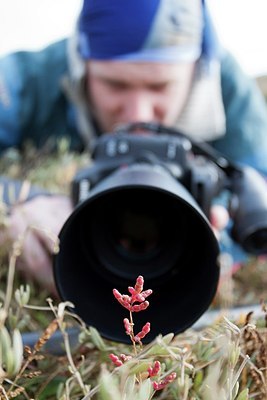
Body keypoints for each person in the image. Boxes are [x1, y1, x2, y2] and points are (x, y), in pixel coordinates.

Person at [1, 0, 267, 293]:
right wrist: (21, 200)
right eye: (116, 85)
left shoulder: (230, 91)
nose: (138, 115)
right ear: (80, 64)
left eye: (160, 87)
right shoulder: (28, 80)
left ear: (197, 71)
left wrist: (217, 239)